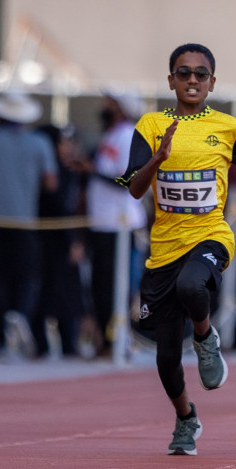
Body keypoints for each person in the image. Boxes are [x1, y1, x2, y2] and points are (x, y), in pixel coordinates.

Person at [119, 43, 236, 456]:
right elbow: (133, 187)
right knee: (166, 359)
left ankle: (205, 338)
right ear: (170, 80)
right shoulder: (150, 125)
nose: (192, 80)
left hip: (211, 235)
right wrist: (159, 158)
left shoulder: (227, 126)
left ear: (212, 82)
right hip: (164, 248)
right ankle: (186, 419)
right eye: (183, 73)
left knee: (192, 286)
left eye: (200, 74)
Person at [0, 92, 57, 359]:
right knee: (29, 276)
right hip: (25, 221)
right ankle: (19, 314)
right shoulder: (39, 142)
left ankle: (1, 339)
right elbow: (50, 183)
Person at [87, 93, 147, 358]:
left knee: (117, 287)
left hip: (119, 225)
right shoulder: (111, 134)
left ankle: (119, 341)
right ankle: (108, 342)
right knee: (100, 287)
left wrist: (91, 171)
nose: (104, 108)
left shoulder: (127, 135)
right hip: (103, 223)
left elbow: (128, 180)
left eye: (111, 104)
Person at [34, 124, 85, 358]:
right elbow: (62, 208)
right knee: (55, 292)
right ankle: (52, 344)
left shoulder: (66, 171)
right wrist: (72, 240)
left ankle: (64, 344)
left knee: (61, 293)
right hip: (52, 239)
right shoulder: (51, 173)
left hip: (50, 238)